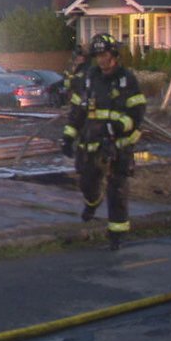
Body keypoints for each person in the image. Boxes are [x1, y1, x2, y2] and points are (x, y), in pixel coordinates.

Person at [59, 33, 146, 250]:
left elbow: (136, 112)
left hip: (119, 143)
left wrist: (117, 127)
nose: (101, 59)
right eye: (97, 55)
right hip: (91, 141)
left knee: (117, 188)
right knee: (87, 180)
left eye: (104, 54)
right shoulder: (90, 78)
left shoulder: (127, 79)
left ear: (113, 54)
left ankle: (117, 235)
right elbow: (78, 108)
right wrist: (69, 136)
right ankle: (92, 202)